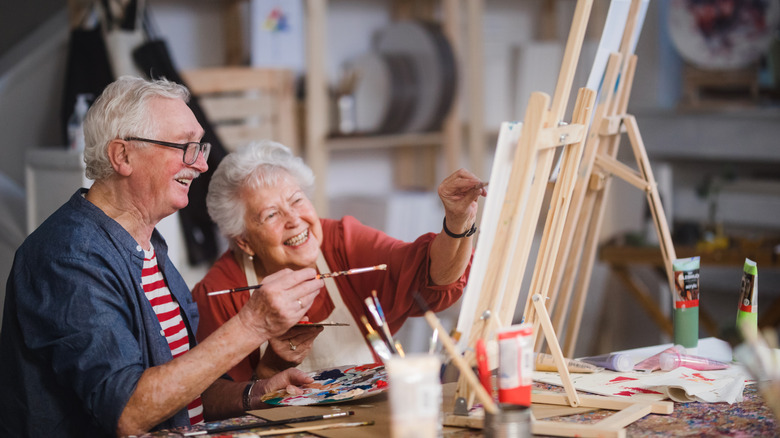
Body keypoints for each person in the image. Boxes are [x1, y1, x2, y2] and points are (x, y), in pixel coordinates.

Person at [0, 76, 324, 437]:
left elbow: (182, 395)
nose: (201, 165)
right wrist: (253, 325)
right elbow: (128, 413)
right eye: (185, 147)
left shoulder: (149, 246)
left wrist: (256, 392)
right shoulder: (68, 255)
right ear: (122, 155)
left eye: (199, 148)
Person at [192, 140, 486, 381]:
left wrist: (457, 221)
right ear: (244, 240)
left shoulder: (341, 241)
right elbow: (219, 406)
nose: (294, 220)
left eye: (296, 201)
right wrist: (271, 367)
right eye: (271, 215)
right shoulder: (217, 294)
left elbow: (431, 276)